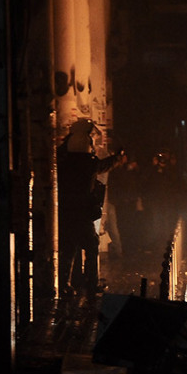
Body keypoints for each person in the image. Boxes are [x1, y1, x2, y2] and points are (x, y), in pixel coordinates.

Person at [57, 119, 123, 301]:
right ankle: (91, 284)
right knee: (92, 246)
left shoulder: (63, 162)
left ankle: (64, 285)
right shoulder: (89, 163)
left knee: (68, 249)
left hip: (66, 212)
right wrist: (117, 157)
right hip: (83, 213)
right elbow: (104, 165)